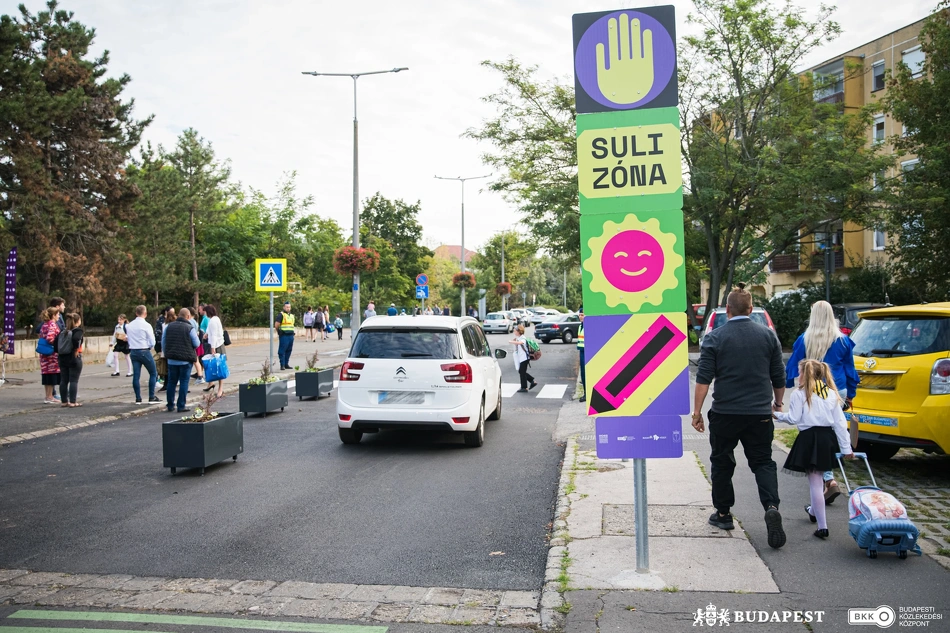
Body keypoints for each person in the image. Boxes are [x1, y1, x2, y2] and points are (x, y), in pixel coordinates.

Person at [692, 283, 787, 549]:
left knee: (722, 462)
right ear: (751, 309)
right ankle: (771, 506)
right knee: (763, 462)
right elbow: (779, 377)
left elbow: (703, 379)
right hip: (759, 414)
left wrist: (697, 412)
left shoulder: (715, 338)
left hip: (725, 413)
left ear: (728, 310)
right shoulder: (768, 337)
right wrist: (778, 403)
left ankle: (723, 514)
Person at [784, 300, 860, 505]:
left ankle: (828, 480)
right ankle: (829, 479)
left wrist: (785, 387)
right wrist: (851, 394)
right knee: (832, 431)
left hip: (812, 390)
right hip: (837, 390)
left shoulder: (804, 339)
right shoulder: (843, 340)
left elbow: (792, 365)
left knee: (815, 434)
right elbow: (850, 369)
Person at [774, 359, 855, 539]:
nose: (797, 376)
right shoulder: (832, 394)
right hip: (827, 439)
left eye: (800, 372)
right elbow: (841, 424)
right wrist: (846, 448)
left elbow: (794, 418)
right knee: (818, 480)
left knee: (815, 483)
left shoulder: (799, 394)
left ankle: (823, 526)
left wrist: (776, 414)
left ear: (807, 374)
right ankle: (813, 510)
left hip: (809, 439)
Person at [162, 308, 201, 413]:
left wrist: (166, 353)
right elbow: (197, 344)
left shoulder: (169, 326)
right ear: (188, 316)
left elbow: (163, 341)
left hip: (172, 359)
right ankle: (181, 405)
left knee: (171, 382)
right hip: (185, 359)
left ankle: (170, 405)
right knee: (184, 382)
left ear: (178, 315)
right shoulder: (189, 328)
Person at [126, 305, 160, 405]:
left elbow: (129, 338)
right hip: (144, 350)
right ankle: (151, 396)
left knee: (136, 375)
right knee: (153, 373)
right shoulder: (146, 325)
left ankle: (138, 398)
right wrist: (150, 347)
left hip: (133, 351)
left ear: (136, 313)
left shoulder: (130, 325)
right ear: (145, 314)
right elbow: (152, 340)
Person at [56, 312, 84, 407]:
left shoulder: (63, 331)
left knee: (64, 380)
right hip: (73, 357)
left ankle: (64, 401)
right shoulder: (78, 331)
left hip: (62, 357)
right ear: (78, 321)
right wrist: (76, 349)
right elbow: (76, 339)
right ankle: (73, 401)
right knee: (73, 380)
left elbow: (55, 343)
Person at [202, 304, 226, 397]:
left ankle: (220, 389)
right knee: (217, 366)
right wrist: (207, 333)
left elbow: (215, 335)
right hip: (217, 344)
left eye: (205, 312)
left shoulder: (213, 321)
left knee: (219, 366)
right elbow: (210, 330)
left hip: (216, 345)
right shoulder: (215, 319)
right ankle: (214, 385)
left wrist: (213, 347)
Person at [38, 308, 61, 404]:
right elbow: (50, 338)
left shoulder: (44, 325)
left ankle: (47, 396)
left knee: (46, 374)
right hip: (52, 354)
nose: (59, 316)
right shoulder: (52, 324)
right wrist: (57, 346)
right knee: (51, 375)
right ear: (54, 315)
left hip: (43, 353)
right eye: (58, 314)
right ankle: (50, 396)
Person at [509, 324, 538, 393]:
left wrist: (512, 342)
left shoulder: (523, 338)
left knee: (522, 372)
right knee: (521, 371)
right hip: (522, 358)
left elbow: (521, 343)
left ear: (519, 331)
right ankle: (532, 381)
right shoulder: (519, 338)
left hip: (525, 358)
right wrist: (515, 342)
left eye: (515, 331)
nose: (514, 332)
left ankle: (524, 387)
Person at [156, 307, 175, 392]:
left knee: (166, 368)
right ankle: (171, 384)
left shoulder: (164, 325)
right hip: (174, 349)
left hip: (166, 348)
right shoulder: (175, 325)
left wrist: (162, 349)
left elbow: (162, 338)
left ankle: (166, 384)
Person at [187, 308, 204, 384]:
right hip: (196, 342)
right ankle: (200, 375)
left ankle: (200, 376)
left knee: (194, 360)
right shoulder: (195, 322)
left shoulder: (189, 322)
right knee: (195, 360)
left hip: (191, 343)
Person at [276, 301, 295, 370]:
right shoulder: (281, 315)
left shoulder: (292, 316)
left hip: (290, 335)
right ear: (284, 307)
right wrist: (279, 331)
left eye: (289, 307)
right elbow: (277, 324)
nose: (288, 308)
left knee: (289, 350)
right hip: (284, 335)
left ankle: (286, 364)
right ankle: (282, 365)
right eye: (287, 307)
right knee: (282, 350)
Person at [576, 307, 586, 403]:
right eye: (579, 315)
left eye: (582, 315)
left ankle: (586, 394)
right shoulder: (580, 326)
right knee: (583, 373)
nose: (580, 317)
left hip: (587, 352)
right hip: (582, 351)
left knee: (586, 373)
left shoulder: (588, 325)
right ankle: (585, 393)